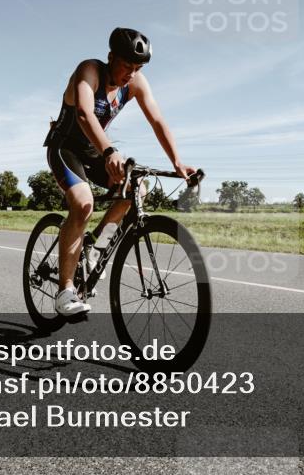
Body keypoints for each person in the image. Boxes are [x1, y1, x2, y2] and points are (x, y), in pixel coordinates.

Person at [44, 27, 195, 316]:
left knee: (136, 189)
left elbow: (157, 120)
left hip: (95, 151)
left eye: (138, 67)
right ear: (111, 57)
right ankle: (65, 291)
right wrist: (110, 152)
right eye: (127, 65)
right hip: (65, 148)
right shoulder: (89, 71)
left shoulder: (136, 82)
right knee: (83, 203)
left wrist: (177, 160)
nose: (131, 73)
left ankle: (94, 247)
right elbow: (84, 114)